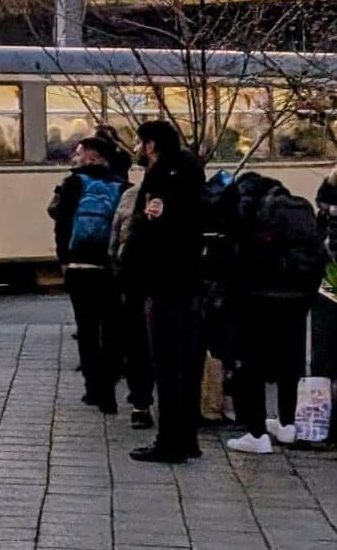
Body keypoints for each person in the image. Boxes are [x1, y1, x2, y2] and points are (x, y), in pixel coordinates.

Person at [222, 172, 326, 454]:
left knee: (252, 364)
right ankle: (287, 424)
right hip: (298, 296)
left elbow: (235, 247)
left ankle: (256, 434)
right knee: (290, 363)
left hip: (259, 297)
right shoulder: (296, 206)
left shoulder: (251, 205)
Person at [123, 120, 207, 463]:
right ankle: (186, 438)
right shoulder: (189, 173)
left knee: (167, 363)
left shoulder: (163, 180)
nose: (137, 148)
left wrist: (134, 264)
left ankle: (170, 441)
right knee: (184, 363)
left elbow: (153, 229)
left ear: (152, 145)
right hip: (186, 280)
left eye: (140, 142)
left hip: (165, 280)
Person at [49, 136, 129, 414]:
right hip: (110, 267)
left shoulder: (73, 183)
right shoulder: (123, 186)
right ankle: (109, 390)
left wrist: (63, 259)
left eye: (81, 152)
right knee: (111, 328)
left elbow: (61, 223)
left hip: (79, 268)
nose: (76, 156)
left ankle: (93, 388)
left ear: (94, 157)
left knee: (87, 328)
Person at [110, 180, 154, 428]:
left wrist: (117, 268)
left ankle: (141, 406)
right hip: (170, 283)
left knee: (138, 344)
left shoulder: (133, 194)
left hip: (135, 280)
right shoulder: (186, 192)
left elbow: (115, 236)